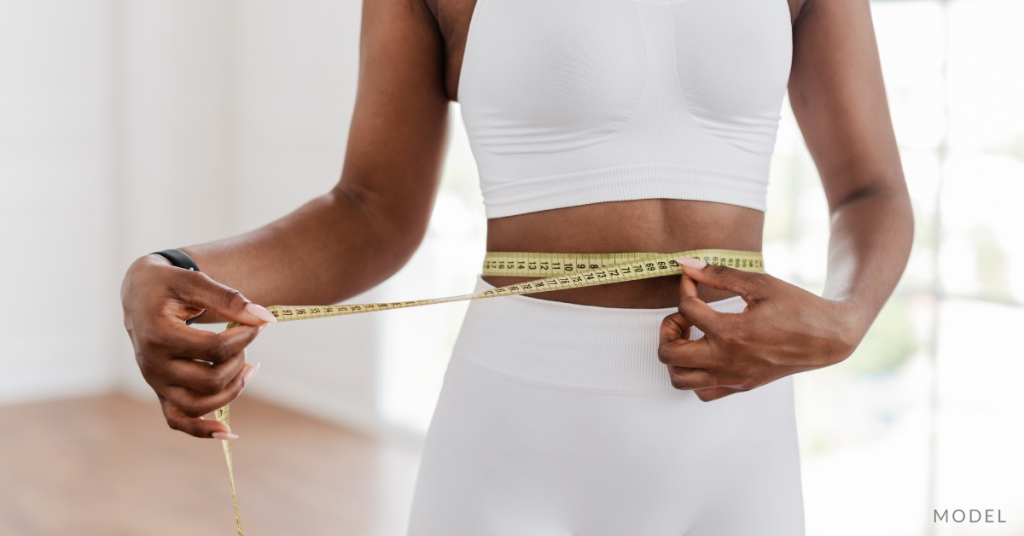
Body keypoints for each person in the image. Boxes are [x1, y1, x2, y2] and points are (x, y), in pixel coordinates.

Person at [120, 0, 913, 533]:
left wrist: (847, 317)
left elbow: (871, 188)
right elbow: (371, 213)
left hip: (738, 442)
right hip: (517, 442)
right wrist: (175, 269)